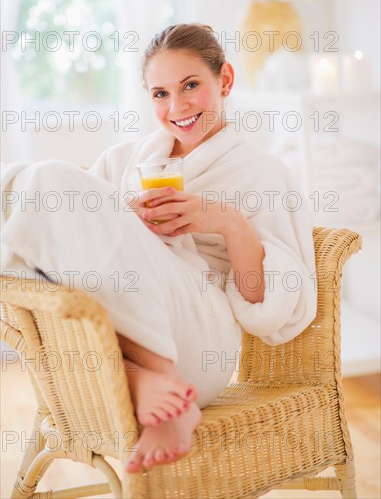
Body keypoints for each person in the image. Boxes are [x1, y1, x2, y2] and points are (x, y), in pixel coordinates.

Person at [1, 23, 317, 474]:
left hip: (197, 340)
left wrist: (227, 222)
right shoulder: (125, 162)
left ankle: (165, 382)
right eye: (160, 94)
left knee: (51, 178)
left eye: (191, 86)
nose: (178, 106)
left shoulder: (264, 174)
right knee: (29, 187)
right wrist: (120, 221)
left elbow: (271, 311)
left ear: (224, 80)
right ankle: (140, 378)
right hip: (103, 343)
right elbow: (60, 260)